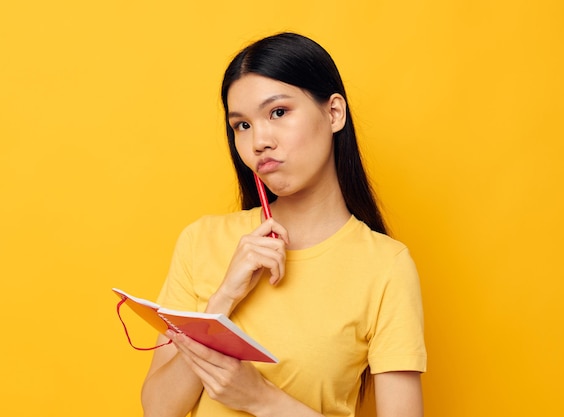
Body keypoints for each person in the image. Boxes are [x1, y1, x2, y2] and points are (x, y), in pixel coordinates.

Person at [141, 32, 426, 417]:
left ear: (334, 113)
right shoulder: (201, 240)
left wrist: (261, 399)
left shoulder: (385, 266)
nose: (259, 141)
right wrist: (223, 300)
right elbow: (157, 410)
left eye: (278, 113)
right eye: (241, 125)